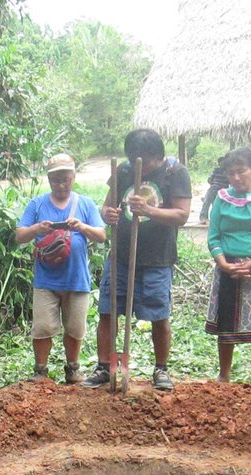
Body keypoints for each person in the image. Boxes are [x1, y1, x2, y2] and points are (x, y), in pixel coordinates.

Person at [83, 129, 192, 390]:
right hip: (120, 254)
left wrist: (149, 210)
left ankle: (161, 369)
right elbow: (107, 206)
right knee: (108, 311)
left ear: (157, 156)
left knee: (158, 314)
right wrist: (108, 213)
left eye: (144, 158)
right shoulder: (122, 171)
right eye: (133, 157)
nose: (138, 163)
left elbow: (182, 215)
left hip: (157, 257)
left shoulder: (175, 173)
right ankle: (104, 367)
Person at [15, 153, 106, 384]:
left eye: (66, 179)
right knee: (42, 327)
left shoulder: (84, 203)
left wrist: (82, 227)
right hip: (46, 279)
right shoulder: (37, 204)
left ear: (73, 178)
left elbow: (101, 235)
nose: (62, 184)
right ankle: (40, 371)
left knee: (75, 328)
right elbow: (19, 236)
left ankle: (73, 369)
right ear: (49, 180)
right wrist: (37, 229)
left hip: (77, 278)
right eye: (56, 180)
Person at [205, 148, 251, 388]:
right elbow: (214, 235)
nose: (236, 177)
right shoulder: (222, 197)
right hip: (227, 267)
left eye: (241, 171)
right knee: (226, 320)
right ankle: (224, 375)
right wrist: (224, 263)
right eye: (231, 172)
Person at [198, 157, 228, 224]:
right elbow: (210, 179)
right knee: (207, 202)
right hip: (214, 188)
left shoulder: (228, 171)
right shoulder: (216, 170)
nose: (222, 164)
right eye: (221, 162)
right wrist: (212, 183)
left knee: (216, 204)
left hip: (223, 190)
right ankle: (203, 218)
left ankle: (215, 218)